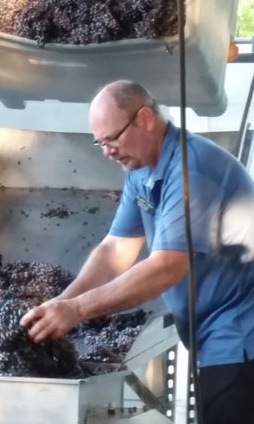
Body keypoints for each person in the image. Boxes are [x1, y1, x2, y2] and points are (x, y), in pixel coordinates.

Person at [21, 80, 254, 424]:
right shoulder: (141, 170)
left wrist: (77, 310)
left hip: (241, 331)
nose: (107, 151)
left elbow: (166, 268)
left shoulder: (192, 169)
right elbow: (116, 249)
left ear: (144, 118)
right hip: (212, 332)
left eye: (112, 139)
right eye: (100, 143)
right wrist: (61, 305)